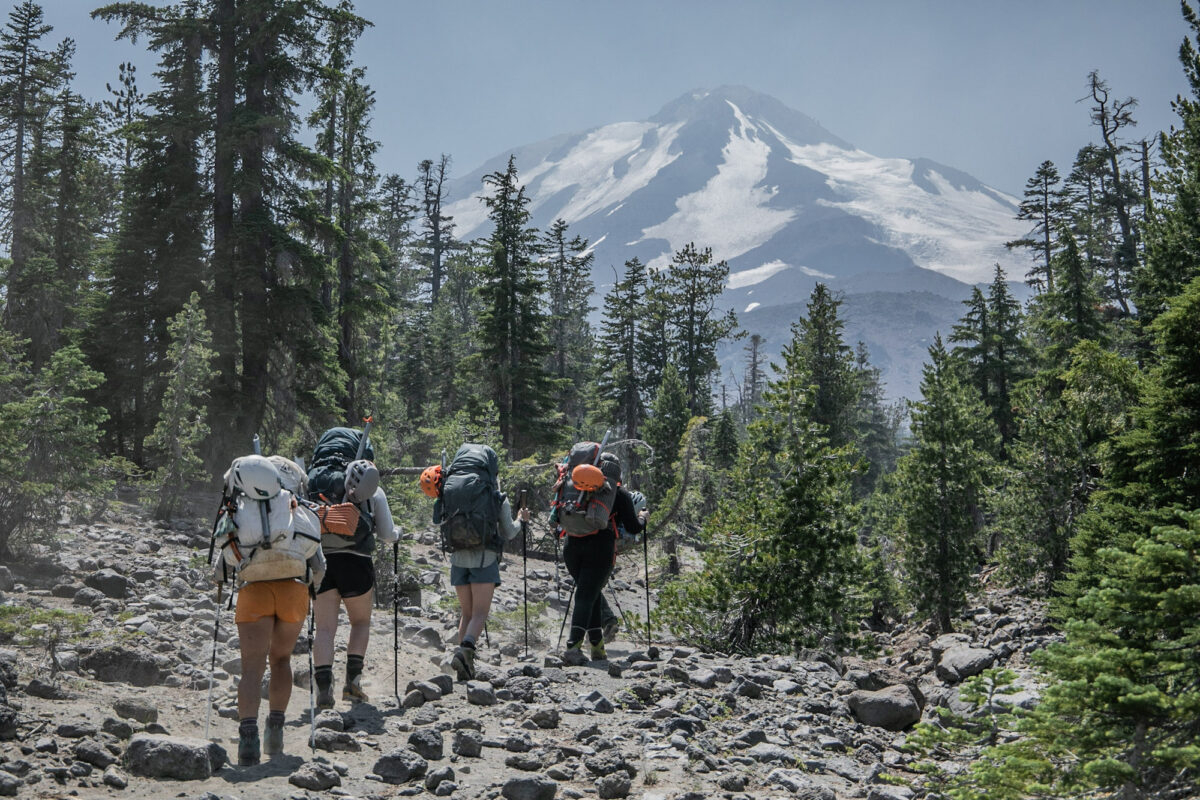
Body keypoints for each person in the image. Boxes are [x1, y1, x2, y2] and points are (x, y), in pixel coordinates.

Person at [213, 455, 325, 766]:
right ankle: (275, 732)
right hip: (292, 591)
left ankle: (247, 742)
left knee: (252, 668)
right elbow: (318, 562)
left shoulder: (237, 508)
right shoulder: (293, 506)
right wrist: (309, 590)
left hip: (254, 591)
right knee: (281, 659)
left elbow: (220, 567)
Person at [421, 444, 531, 681]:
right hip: (484, 559)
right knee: (480, 613)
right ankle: (465, 651)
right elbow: (510, 532)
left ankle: (465, 666)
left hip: (458, 558)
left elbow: (436, 519)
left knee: (467, 613)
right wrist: (522, 520)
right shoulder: (494, 495)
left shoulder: (448, 491)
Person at [311, 447, 396, 709]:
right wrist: (398, 534)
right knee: (360, 623)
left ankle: (324, 689)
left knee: (324, 628)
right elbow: (387, 534)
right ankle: (353, 686)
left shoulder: (313, 481)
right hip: (357, 562)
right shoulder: (370, 487)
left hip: (322, 561)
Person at [561, 451, 647, 660]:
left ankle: (597, 646)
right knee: (585, 596)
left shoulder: (574, 485)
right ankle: (573, 646)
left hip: (571, 546)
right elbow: (634, 527)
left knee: (590, 594)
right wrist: (644, 518)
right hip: (600, 549)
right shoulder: (618, 493)